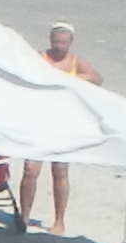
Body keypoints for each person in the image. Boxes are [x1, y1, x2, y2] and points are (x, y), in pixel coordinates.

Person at [17, 20, 103, 232]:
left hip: (64, 123)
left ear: (70, 42)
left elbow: (97, 79)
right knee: (30, 170)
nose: (59, 46)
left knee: (60, 170)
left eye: (63, 43)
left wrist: (76, 78)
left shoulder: (75, 61)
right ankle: (24, 216)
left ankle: (59, 220)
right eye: (56, 42)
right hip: (39, 121)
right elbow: (22, 73)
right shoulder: (40, 58)